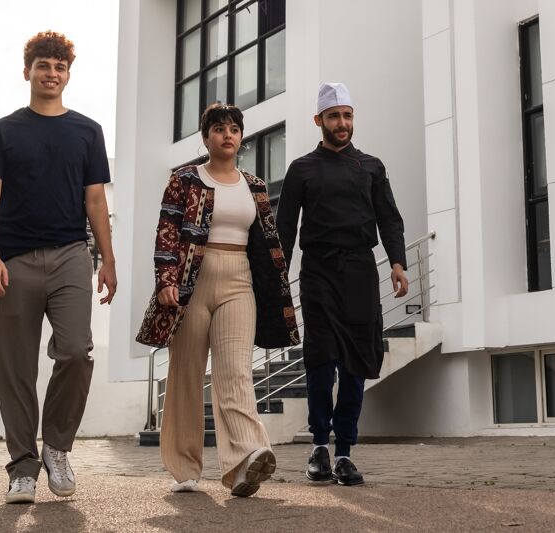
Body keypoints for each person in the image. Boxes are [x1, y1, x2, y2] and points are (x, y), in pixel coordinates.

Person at [0, 31, 117, 505]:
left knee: (77, 351)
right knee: (15, 367)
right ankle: (22, 468)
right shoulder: (2, 131)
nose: (51, 73)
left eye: (59, 66)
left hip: (71, 256)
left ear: (68, 74)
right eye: (43, 65)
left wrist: (108, 259)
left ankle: (56, 445)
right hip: (13, 262)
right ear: (27, 71)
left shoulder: (87, 131)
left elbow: (96, 200)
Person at [136, 102, 299, 497]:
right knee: (186, 373)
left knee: (235, 372)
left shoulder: (254, 185)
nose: (228, 134)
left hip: (238, 281)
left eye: (234, 129)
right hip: (191, 284)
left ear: (240, 137)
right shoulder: (186, 179)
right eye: (219, 128)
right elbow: (167, 232)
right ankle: (185, 467)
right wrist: (166, 280)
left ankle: (246, 460)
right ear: (205, 136)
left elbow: (267, 243)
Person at [277, 82, 408, 487]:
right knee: (321, 357)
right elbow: (285, 226)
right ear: (319, 120)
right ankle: (319, 445)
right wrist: (278, 274)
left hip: (360, 271)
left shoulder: (371, 166)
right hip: (317, 271)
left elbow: (389, 217)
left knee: (356, 360)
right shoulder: (301, 169)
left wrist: (398, 263)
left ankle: (345, 451)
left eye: (347, 115)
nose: (342, 123)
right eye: (334, 116)